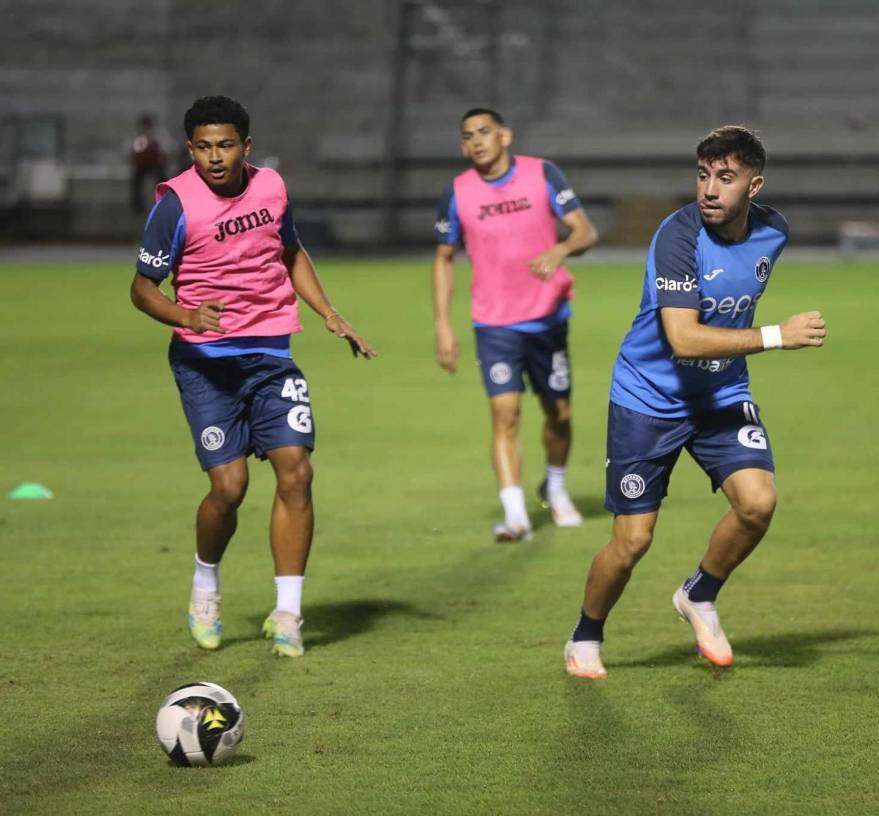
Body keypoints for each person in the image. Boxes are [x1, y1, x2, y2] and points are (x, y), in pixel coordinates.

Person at [563, 126, 827, 679]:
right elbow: (683, 340)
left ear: (754, 186)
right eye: (703, 175)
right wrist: (777, 335)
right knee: (632, 542)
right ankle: (586, 633)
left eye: (725, 178)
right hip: (647, 398)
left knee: (757, 504)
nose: (709, 189)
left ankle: (699, 594)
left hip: (721, 393)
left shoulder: (774, 232)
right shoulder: (678, 237)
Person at [129, 96, 377, 657]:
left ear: (246, 146)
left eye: (225, 145)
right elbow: (142, 289)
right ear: (190, 149)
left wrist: (329, 312)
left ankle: (287, 612)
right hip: (205, 364)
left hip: (270, 357)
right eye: (203, 147)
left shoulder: (271, 188)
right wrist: (186, 315)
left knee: (297, 473)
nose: (215, 157)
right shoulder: (175, 205)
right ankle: (205, 586)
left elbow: (290, 251)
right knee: (230, 487)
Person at [432, 108, 598, 541]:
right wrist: (443, 324)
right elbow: (444, 258)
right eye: (468, 136)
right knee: (504, 415)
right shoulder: (458, 192)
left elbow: (585, 232)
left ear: (505, 136)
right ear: (462, 147)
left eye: (484, 132)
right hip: (494, 324)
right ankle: (516, 515)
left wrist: (560, 251)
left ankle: (554, 487)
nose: (477, 141)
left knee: (558, 413)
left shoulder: (542, 174)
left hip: (547, 318)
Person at [130, 113, 167, 214]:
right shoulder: (138, 136)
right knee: (137, 182)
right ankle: (138, 205)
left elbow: (165, 150)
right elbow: (135, 150)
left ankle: (164, 203)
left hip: (156, 164)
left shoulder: (159, 135)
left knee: (163, 181)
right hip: (142, 165)